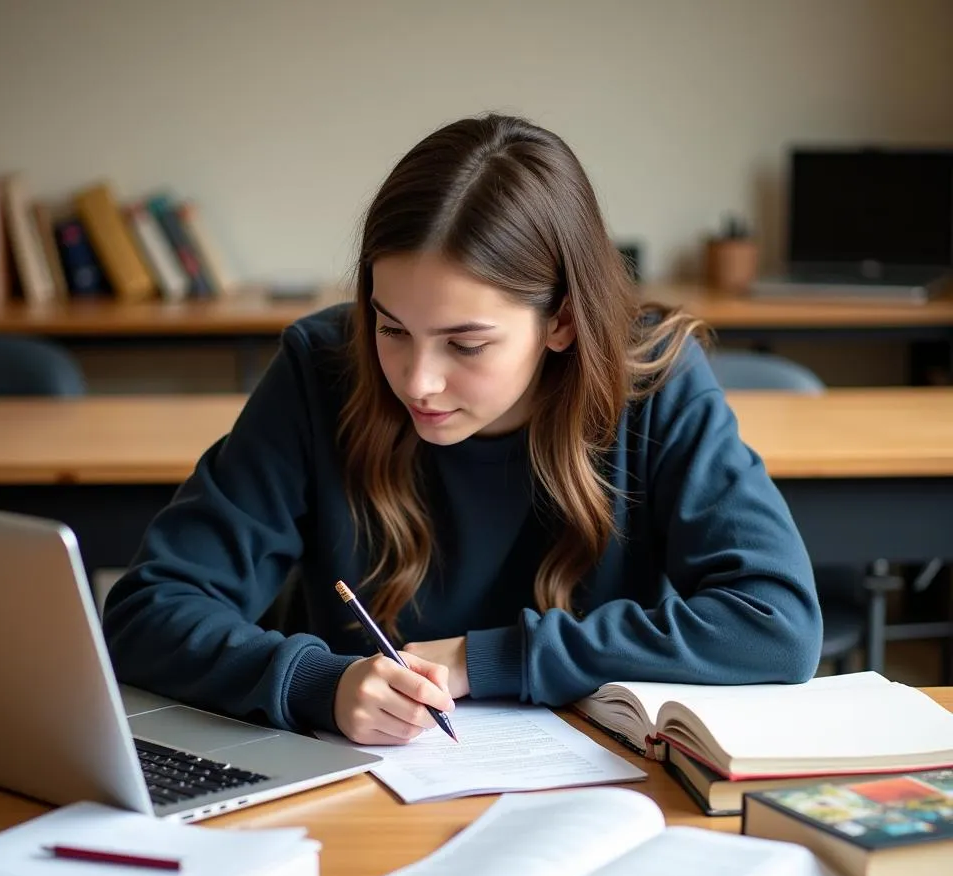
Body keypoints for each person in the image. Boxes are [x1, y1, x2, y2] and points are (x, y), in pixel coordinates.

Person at [103, 113, 823, 746]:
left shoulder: (656, 381)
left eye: (466, 344)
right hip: (363, 788)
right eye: (391, 328)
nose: (416, 380)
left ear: (563, 321)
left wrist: (483, 661)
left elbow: (774, 623)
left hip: (605, 798)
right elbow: (148, 611)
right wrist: (316, 682)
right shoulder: (320, 370)